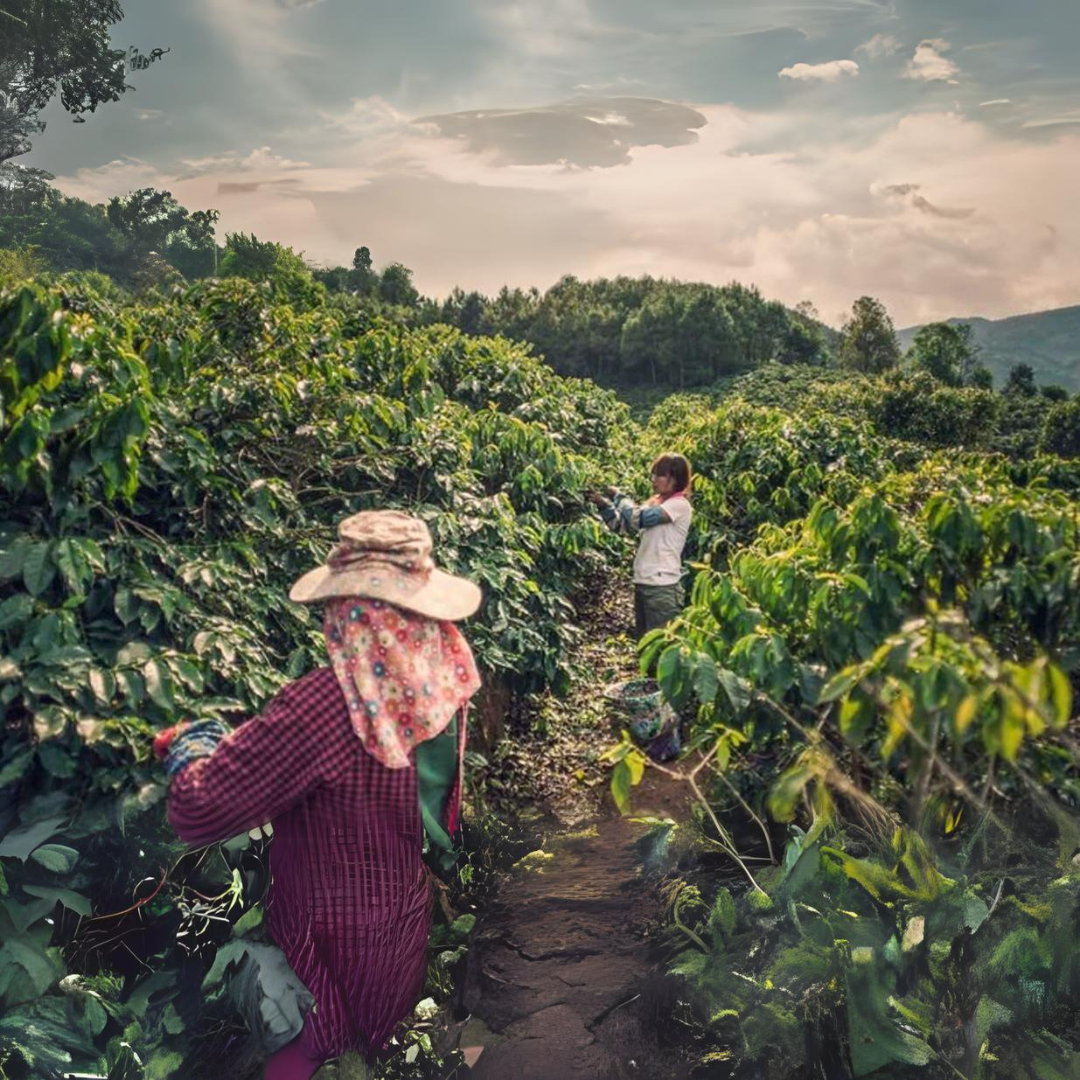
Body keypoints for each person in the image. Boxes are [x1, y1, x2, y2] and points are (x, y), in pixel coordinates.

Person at [152, 511, 483, 1080]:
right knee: (381, 1051)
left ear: (346, 608)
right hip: (400, 915)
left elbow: (199, 808)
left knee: (312, 1050)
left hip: (325, 933)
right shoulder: (443, 684)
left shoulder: (322, 704)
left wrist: (191, 743)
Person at [588, 452, 693, 641]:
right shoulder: (656, 503)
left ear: (675, 478)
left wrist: (619, 497)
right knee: (646, 648)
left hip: (662, 587)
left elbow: (638, 518)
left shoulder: (679, 505)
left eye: (660, 475)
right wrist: (604, 505)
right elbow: (622, 527)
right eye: (653, 475)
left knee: (661, 648)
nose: (654, 480)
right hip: (644, 583)